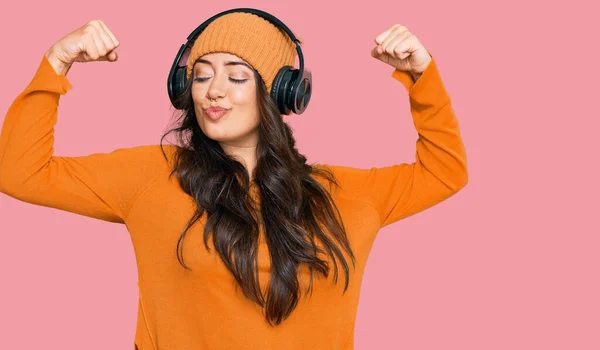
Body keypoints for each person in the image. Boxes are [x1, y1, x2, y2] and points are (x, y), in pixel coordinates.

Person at [0, 8, 468, 350]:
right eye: (200, 76)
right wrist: (57, 62)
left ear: (282, 92)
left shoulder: (345, 195)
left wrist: (421, 74)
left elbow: (445, 171)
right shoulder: (152, 177)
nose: (213, 91)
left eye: (238, 76)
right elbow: (21, 172)